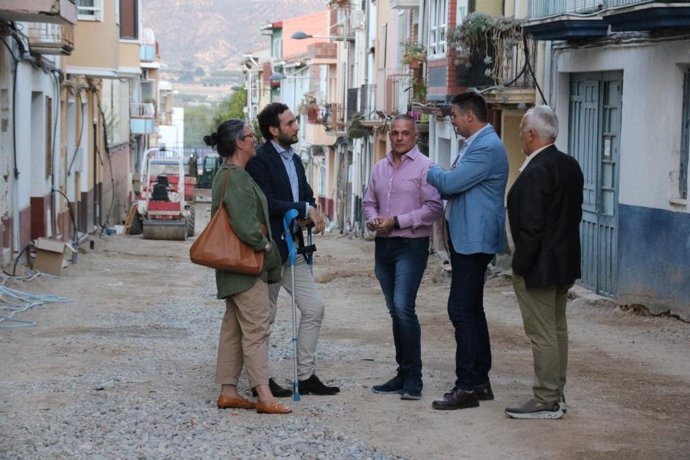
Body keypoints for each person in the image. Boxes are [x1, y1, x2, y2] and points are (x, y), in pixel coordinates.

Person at [246, 102, 340, 396]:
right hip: (271, 251)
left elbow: (307, 195)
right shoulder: (259, 161)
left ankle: (306, 376)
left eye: (294, 121)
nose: (296, 126)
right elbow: (267, 203)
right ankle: (260, 382)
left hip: (296, 248)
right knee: (266, 318)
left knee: (314, 308)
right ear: (274, 130)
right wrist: (302, 207)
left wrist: (314, 211)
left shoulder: (296, 160)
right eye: (289, 123)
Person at [426, 91, 509, 410]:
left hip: (474, 240)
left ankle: (467, 386)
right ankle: (479, 381)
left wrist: (427, 168)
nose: (454, 122)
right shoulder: (478, 144)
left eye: (455, 116)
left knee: (461, 309)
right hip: (469, 238)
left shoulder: (485, 147)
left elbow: (449, 184)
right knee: (472, 309)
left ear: (470, 116)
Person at [204, 119, 291, 415]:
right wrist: (265, 246)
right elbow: (245, 225)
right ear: (239, 143)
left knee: (233, 328)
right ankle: (264, 395)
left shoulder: (226, 174)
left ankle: (228, 390)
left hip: (233, 266)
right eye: (251, 136)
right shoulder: (237, 177)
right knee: (256, 328)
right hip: (246, 265)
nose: (255, 140)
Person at [504, 105, 584, 419]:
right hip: (564, 263)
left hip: (539, 267)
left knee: (543, 333)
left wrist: (520, 266)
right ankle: (555, 392)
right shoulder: (569, 165)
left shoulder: (536, 170)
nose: (520, 137)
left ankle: (546, 398)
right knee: (557, 329)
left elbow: (532, 227)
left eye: (522, 131)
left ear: (532, 134)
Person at [363, 115, 443, 400]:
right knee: (394, 310)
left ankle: (414, 379)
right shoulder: (379, 169)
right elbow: (369, 203)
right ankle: (402, 372)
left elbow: (434, 207)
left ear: (414, 137)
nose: (399, 138)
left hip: (412, 246)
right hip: (383, 247)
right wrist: (374, 220)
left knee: (403, 307)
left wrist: (397, 221)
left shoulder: (427, 167)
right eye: (395, 133)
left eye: (405, 133)